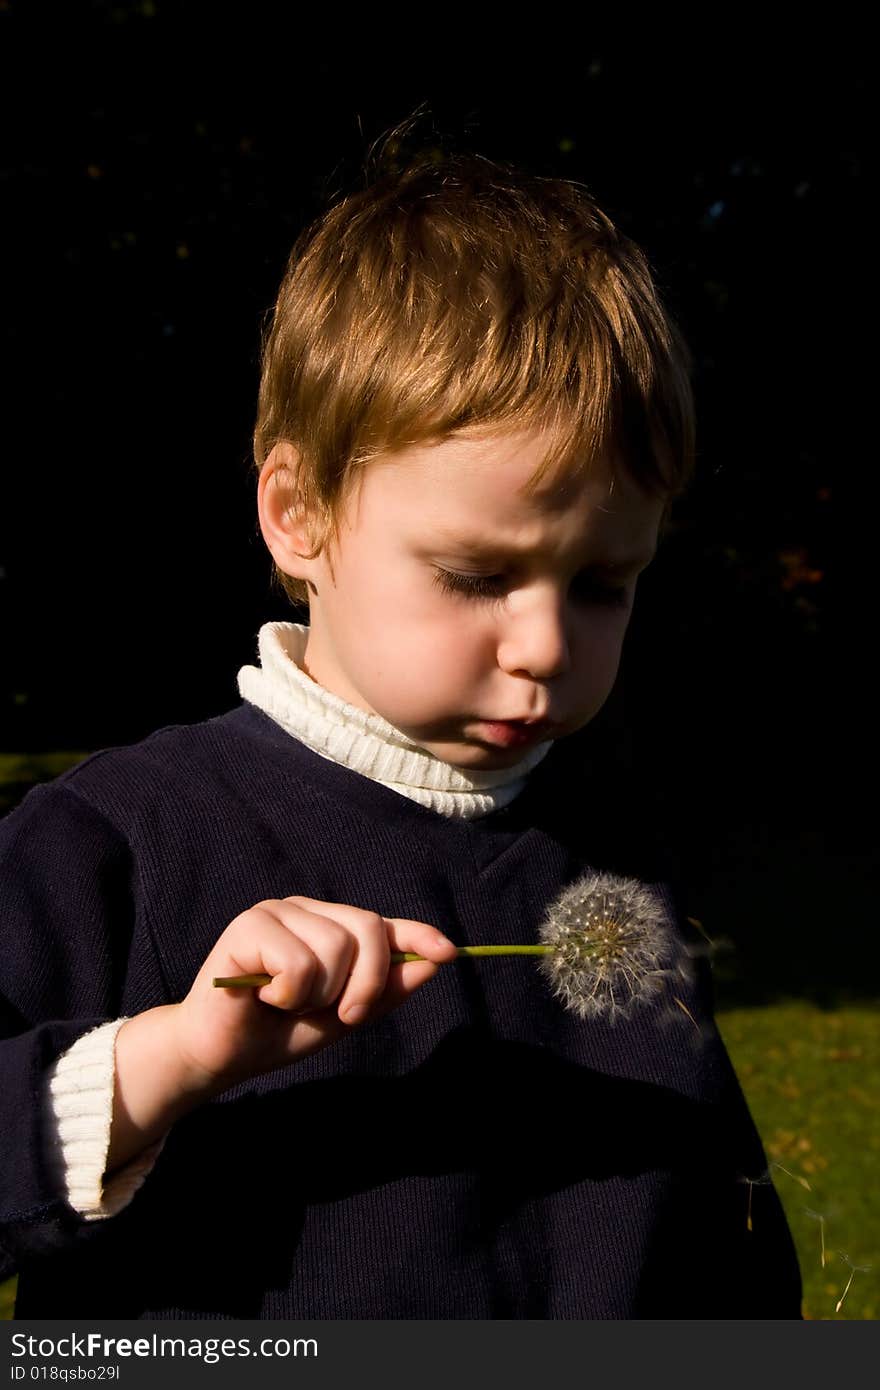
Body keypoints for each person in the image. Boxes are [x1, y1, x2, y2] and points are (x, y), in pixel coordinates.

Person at [0, 152, 802, 1319]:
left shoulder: (613, 849)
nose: (542, 644)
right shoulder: (118, 842)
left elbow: (715, 1216)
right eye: (478, 574)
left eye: (601, 585)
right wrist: (166, 1057)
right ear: (299, 516)